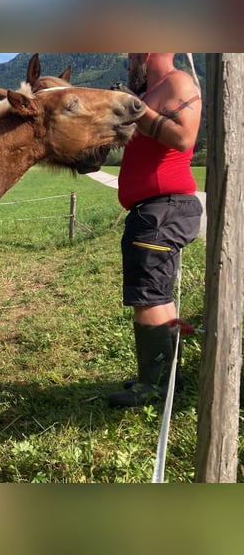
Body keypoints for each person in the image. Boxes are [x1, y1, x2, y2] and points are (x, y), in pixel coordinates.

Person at [108, 53, 203, 407]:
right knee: (157, 296)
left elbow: (182, 136)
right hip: (153, 211)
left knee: (148, 298)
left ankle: (158, 387)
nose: (129, 65)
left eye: (132, 56)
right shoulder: (153, 91)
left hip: (163, 210)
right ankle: (162, 377)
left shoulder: (177, 83)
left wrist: (137, 110)